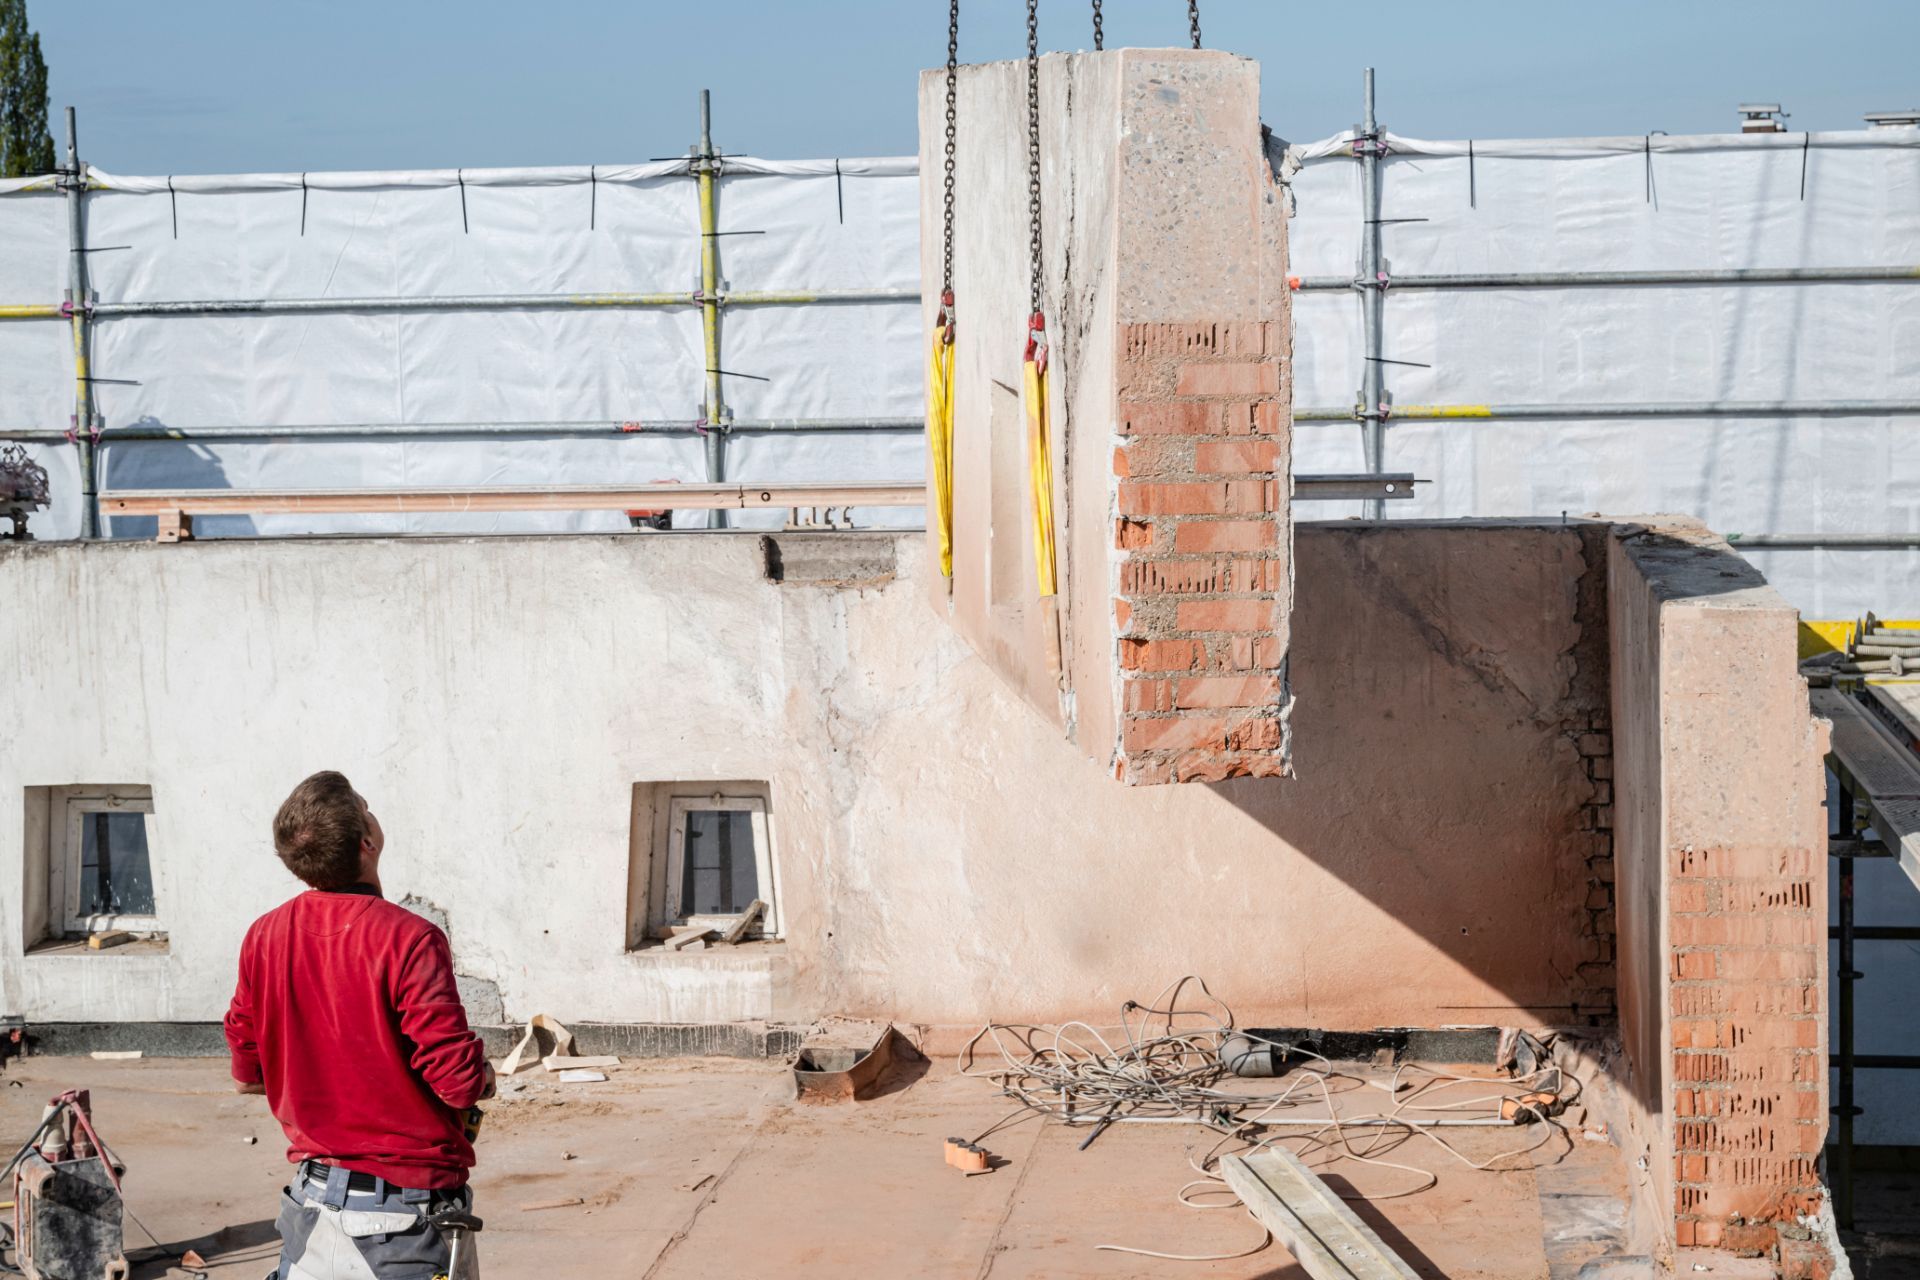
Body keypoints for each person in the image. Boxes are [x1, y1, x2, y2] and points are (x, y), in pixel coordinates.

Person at [225, 771, 494, 1279]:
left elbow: (246, 1073)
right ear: (368, 842)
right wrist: (484, 1075)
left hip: (310, 1206)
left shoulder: (263, 936)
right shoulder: (409, 938)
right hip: (401, 1222)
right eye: (366, 806)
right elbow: (457, 1085)